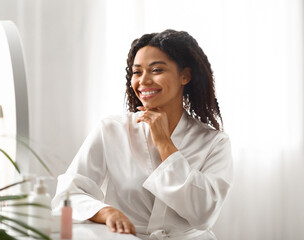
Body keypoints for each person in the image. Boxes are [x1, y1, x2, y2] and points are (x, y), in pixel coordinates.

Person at [52, 29, 233, 240]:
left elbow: (203, 214)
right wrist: (106, 212)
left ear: (185, 75)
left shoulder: (214, 143)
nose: (143, 81)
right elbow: (68, 194)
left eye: (156, 70)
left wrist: (165, 143)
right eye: (137, 72)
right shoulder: (111, 130)